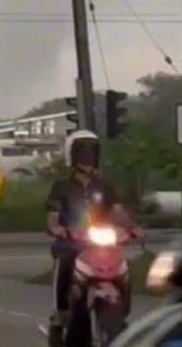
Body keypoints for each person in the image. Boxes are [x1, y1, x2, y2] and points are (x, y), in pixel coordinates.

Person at [44, 130, 142, 347]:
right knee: (66, 259)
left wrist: (131, 227)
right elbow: (52, 217)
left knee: (121, 262)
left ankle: (122, 312)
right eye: (82, 153)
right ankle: (61, 313)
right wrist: (58, 229)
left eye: (92, 153)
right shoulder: (61, 187)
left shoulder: (104, 186)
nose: (87, 159)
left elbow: (117, 211)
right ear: (72, 156)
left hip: (100, 242)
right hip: (71, 243)